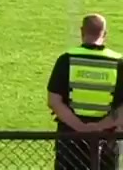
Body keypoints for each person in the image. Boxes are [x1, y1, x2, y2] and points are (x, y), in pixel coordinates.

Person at [46, 14, 123, 170]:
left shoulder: (66, 59)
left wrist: (81, 128)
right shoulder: (119, 62)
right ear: (105, 34)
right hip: (107, 140)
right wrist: (99, 127)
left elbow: (54, 101)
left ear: (82, 31)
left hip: (71, 139)